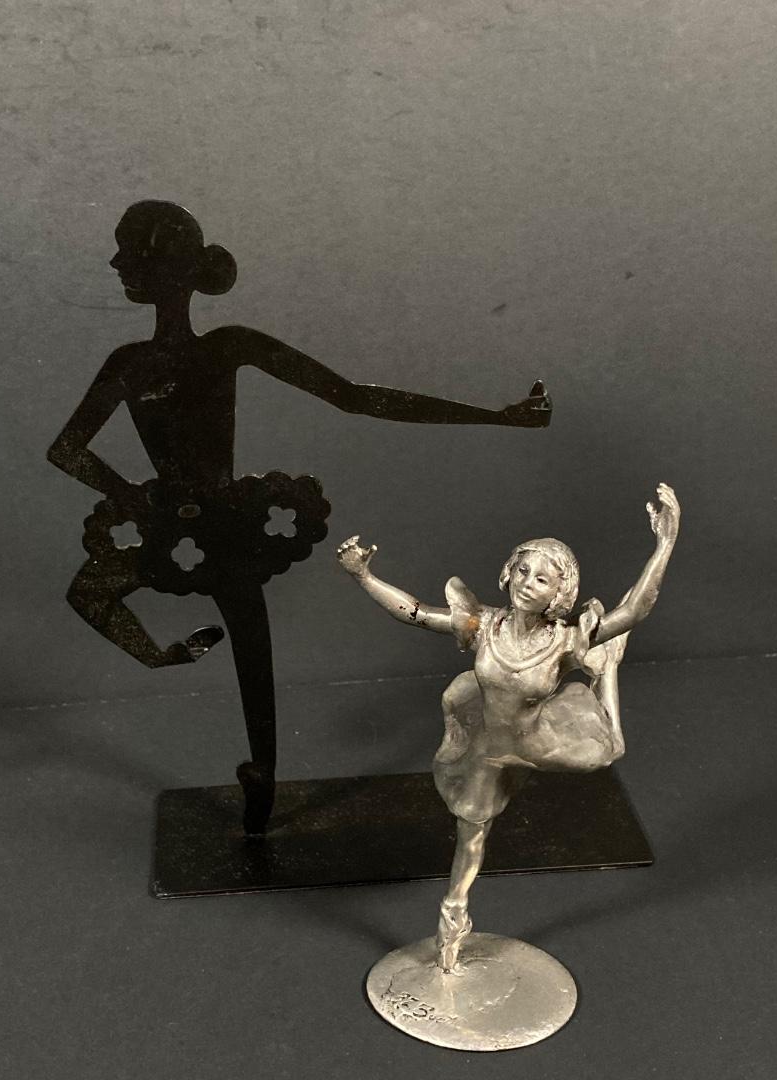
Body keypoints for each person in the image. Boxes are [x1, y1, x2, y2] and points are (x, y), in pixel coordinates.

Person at [48, 200, 551, 834]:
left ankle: (257, 778)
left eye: (130, 251)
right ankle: (192, 691)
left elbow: (355, 397)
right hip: (189, 529)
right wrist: (134, 498)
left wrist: (497, 417)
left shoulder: (217, 348)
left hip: (220, 529)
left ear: (169, 268)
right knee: (172, 626)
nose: (116, 263)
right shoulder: (139, 362)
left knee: (245, 660)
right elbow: (66, 450)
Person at [337, 483, 680, 969]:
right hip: (488, 746)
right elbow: (415, 613)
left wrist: (664, 544)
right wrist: (363, 576)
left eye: (542, 579)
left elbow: (634, 610)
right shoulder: (484, 625)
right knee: (471, 831)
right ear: (508, 570)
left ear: (559, 593)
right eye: (523, 570)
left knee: (610, 749)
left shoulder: (564, 641)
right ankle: (454, 917)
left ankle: (608, 667)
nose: (527, 583)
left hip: (538, 739)